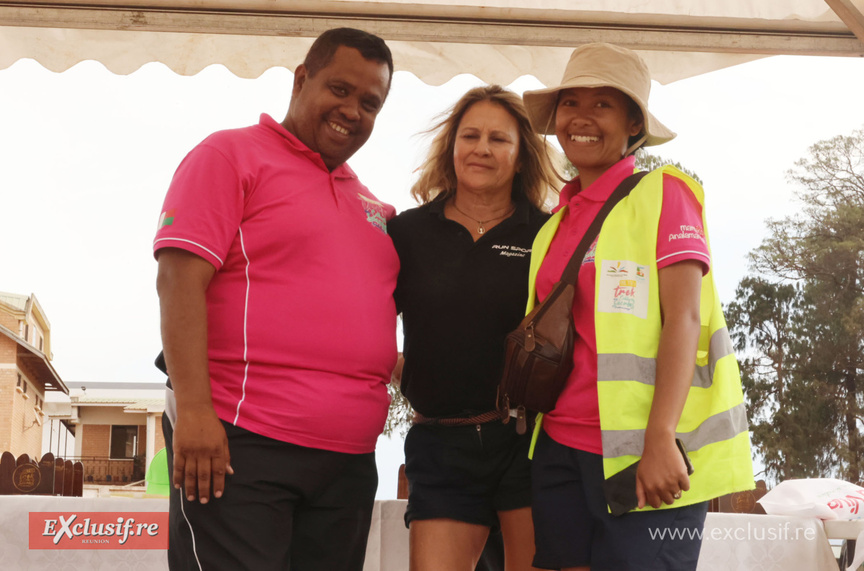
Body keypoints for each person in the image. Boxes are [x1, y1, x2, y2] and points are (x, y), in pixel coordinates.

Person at [153, 28, 397, 570]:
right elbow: (178, 281)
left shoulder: (371, 205)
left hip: (348, 460)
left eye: (370, 102)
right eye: (340, 89)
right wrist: (194, 412)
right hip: (241, 444)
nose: (352, 110)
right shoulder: (230, 155)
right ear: (301, 79)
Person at [519, 43, 754, 570]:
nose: (581, 117)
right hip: (558, 445)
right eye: (570, 102)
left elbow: (685, 321)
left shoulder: (664, 191)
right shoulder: (553, 224)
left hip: (641, 455)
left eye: (602, 104)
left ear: (633, 124)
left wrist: (659, 439)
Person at [388, 85, 558, 571]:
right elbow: (367, 321)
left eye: (498, 139)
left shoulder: (547, 233)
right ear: (452, 147)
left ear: (522, 156)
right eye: (471, 136)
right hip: (442, 443)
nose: (482, 148)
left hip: (526, 442)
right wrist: (409, 372)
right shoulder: (408, 232)